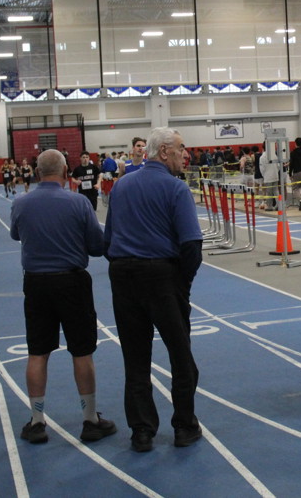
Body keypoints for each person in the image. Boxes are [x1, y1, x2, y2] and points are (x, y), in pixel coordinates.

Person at [105, 127, 203, 453]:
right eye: (181, 148)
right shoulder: (176, 189)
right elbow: (191, 244)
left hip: (123, 276)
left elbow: (108, 240)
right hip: (162, 276)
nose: (185, 154)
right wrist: (182, 283)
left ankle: (142, 431)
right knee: (181, 356)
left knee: (135, 359)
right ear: (163, 151)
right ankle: (184, 426)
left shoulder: (121, 186)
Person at [10, 149, 116, 445]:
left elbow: (15, 235)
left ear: (37, 172)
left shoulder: (21, 203)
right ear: (66, 170)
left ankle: (37, 421)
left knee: (37, 352)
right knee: (82, 351)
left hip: (36, 284)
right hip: (72, 283)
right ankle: (90, 420)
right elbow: (96, 247)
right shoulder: (78, 202)